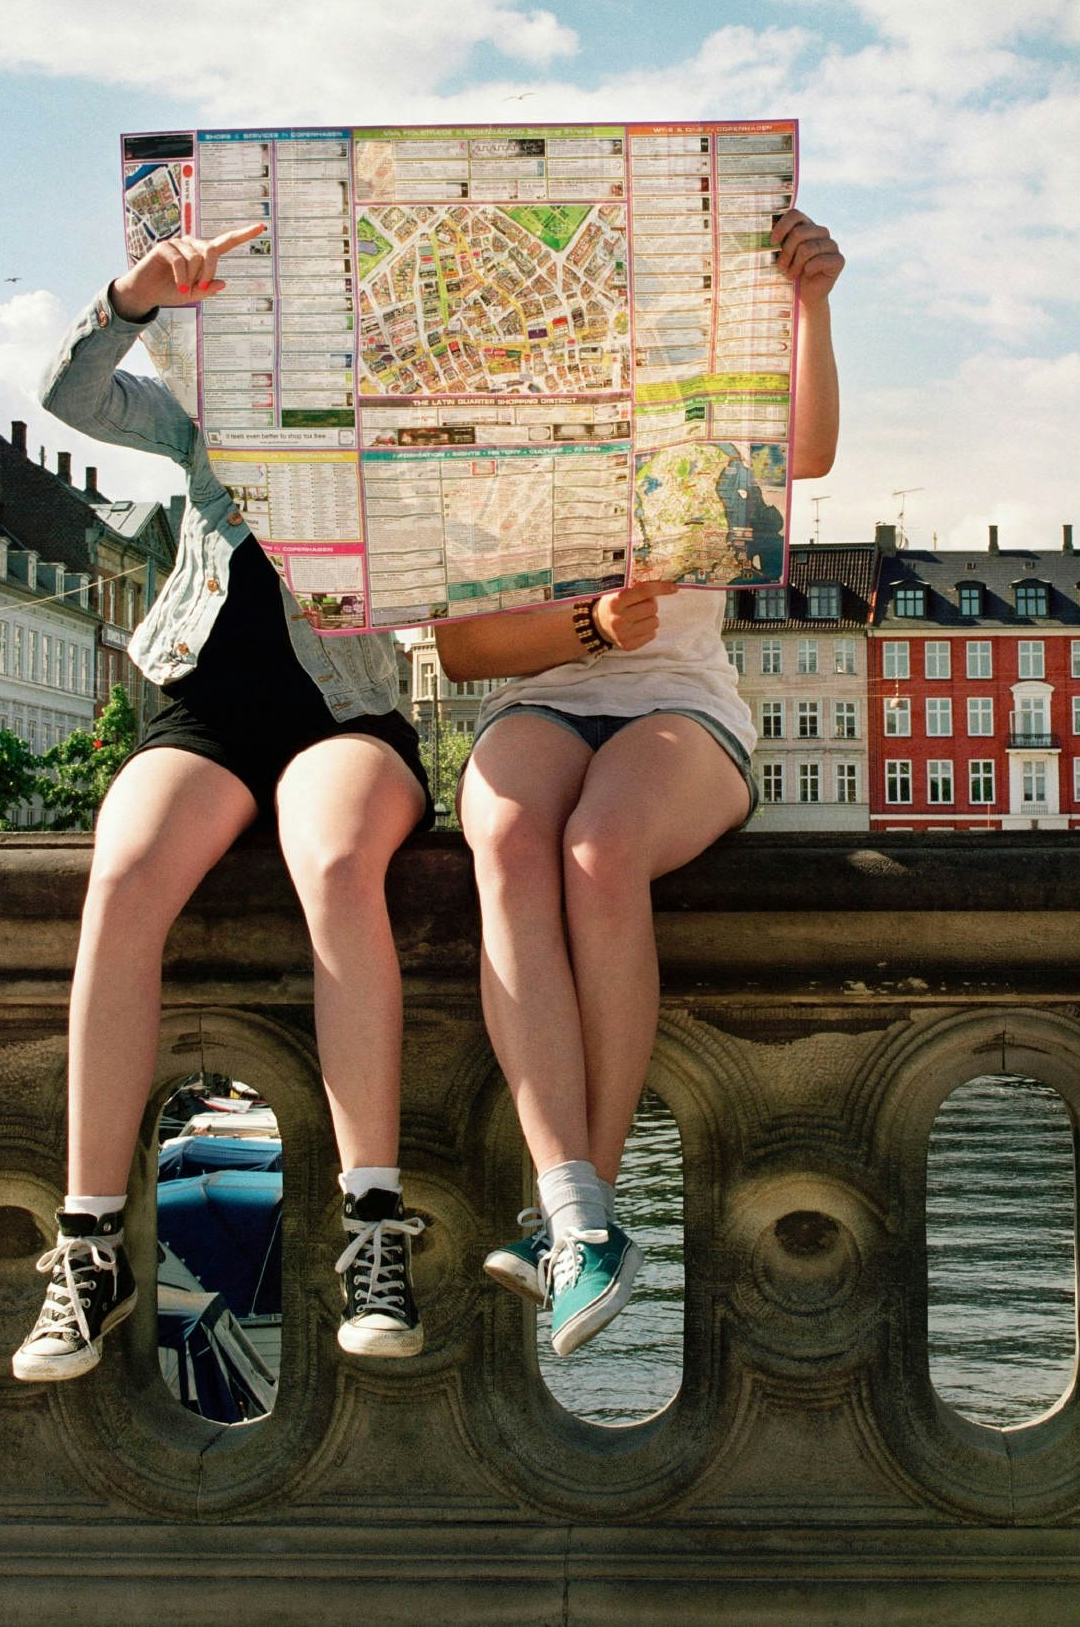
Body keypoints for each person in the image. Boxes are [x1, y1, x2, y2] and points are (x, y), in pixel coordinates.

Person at [12, 222, 433, 1384]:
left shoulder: (400, 421)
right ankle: (90, 1244)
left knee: (335, 862)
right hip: (200, 703)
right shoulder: (205, 413)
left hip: (343, 710)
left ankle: (373, 1227)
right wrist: (130, 296)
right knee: (126, 871)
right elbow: (69, 394)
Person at [438, 207, 846, 1356]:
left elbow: (804, 451)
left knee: (597, 849)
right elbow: (465, 653)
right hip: (543, 695)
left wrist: (811, 302)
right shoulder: (495, 443)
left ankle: (577, 1211)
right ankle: (581, 1222)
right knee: (510, 838)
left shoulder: (702, 420)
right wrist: (586, 624)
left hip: (683, 706)